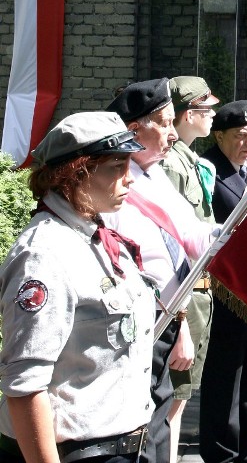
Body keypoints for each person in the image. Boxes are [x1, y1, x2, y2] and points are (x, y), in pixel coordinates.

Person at [0, 111, 155, 463]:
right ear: (76, 173)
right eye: (116, 167)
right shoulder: (43, 255)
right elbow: (24, 386)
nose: (129, 179)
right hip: (74, 454)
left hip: (124, 445)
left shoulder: (95, 238)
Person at [105, 78, 221, 463]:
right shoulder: (111, 183)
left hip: (167, 323)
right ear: (134, 128)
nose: (174, 134)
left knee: (156, 432)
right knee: (137, 436)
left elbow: (195, 239)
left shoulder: (155, 174)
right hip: (134, 329)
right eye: (166, 123)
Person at [199, 101, 247, 463]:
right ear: (219, 136)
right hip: (226, 289)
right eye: (239, 136)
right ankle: (222, 452)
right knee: (225, 375)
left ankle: (246, 448)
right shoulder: (208, 169)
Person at [160, 76, 219, 463]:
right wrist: (181, 316)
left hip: (198, 290)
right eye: (205, 109)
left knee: (179, 401)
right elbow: (169, 242)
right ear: (186, 113)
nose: (212, 116)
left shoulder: (188, 160)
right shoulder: (172, 163)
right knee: (169, 403)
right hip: (182, 292)